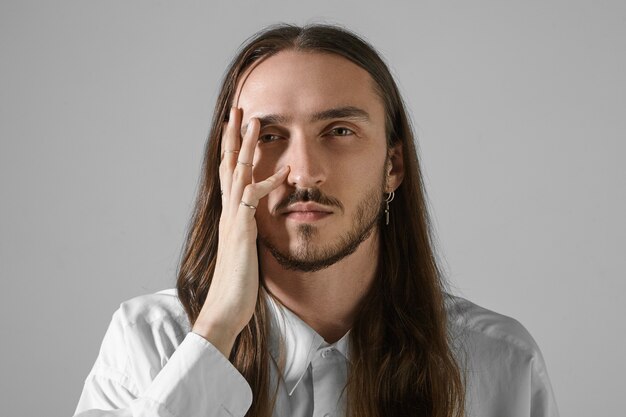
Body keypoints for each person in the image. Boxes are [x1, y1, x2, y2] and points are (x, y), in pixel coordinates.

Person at [73, 24, 559, 417]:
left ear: (393, 166)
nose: (304, 172)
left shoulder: (501, 363)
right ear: (227, 165)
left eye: (339, 131)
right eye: (267, 136)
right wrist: (216, 329)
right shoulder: (147, 344)